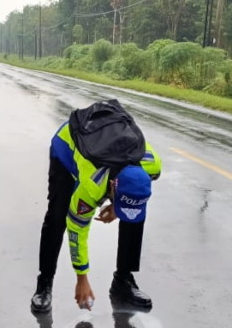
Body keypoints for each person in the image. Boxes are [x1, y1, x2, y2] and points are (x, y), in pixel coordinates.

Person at [31, 101, 162, 313]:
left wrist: (119, 208)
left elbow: (137, 193)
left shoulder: (152, 166)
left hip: (111, 155)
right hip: (68, 147)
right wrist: (81, 278)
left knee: (134, 213)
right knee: (57, 217)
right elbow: (77, 230)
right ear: (111, 186)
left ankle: (123, 279)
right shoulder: (92, 185)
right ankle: (44, 283)